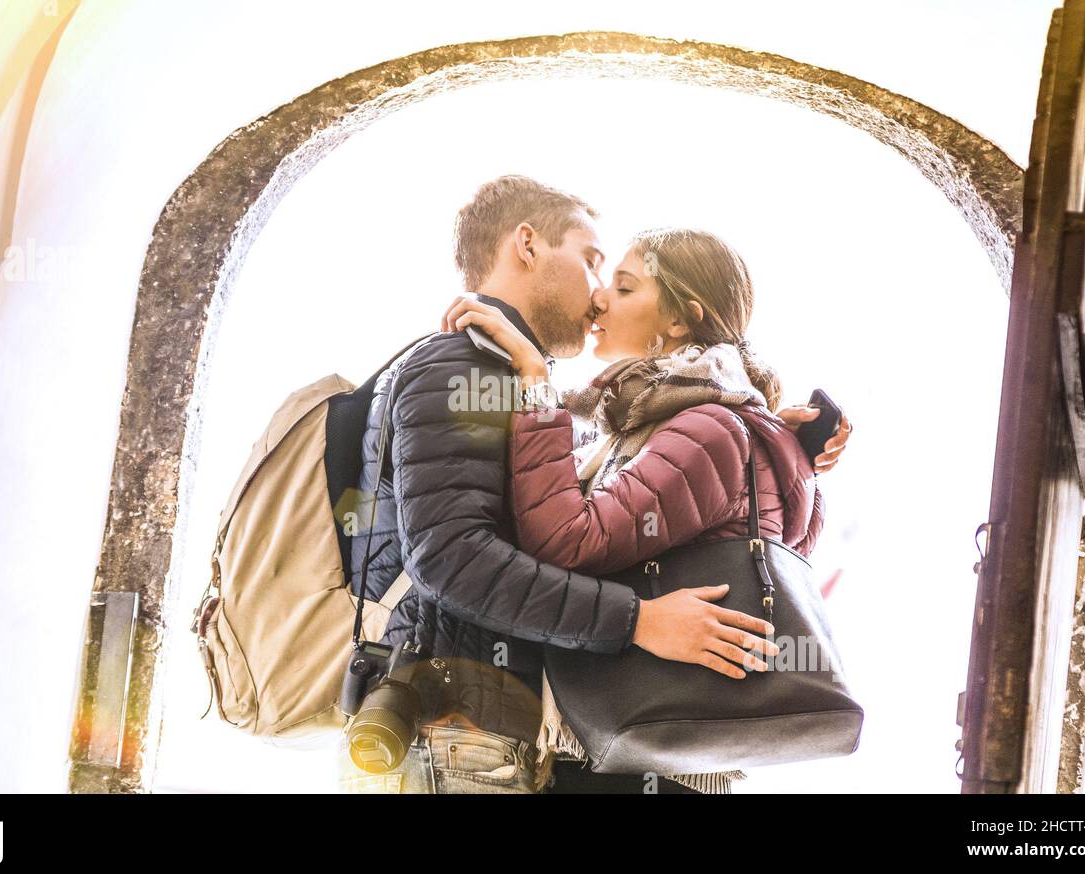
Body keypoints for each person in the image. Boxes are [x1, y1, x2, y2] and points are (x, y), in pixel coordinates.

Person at [336, 176, 850, 794]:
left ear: (681, 321)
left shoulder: (649, 420)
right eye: (592, 262)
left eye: (619, 281)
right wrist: (639, 620)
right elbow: (453, 558)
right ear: (527, 245)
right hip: (477, 733)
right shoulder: (465, 367)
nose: (600, 296)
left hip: (584, 746)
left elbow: (568, 534)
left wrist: (762, 432)